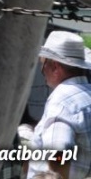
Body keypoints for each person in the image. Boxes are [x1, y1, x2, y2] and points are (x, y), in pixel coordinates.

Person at [26, 31, 91, 179]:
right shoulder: (87, 94)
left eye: (43, 65)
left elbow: (58, 157)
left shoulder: (61, 103)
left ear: (55, 67)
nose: (42, 71)